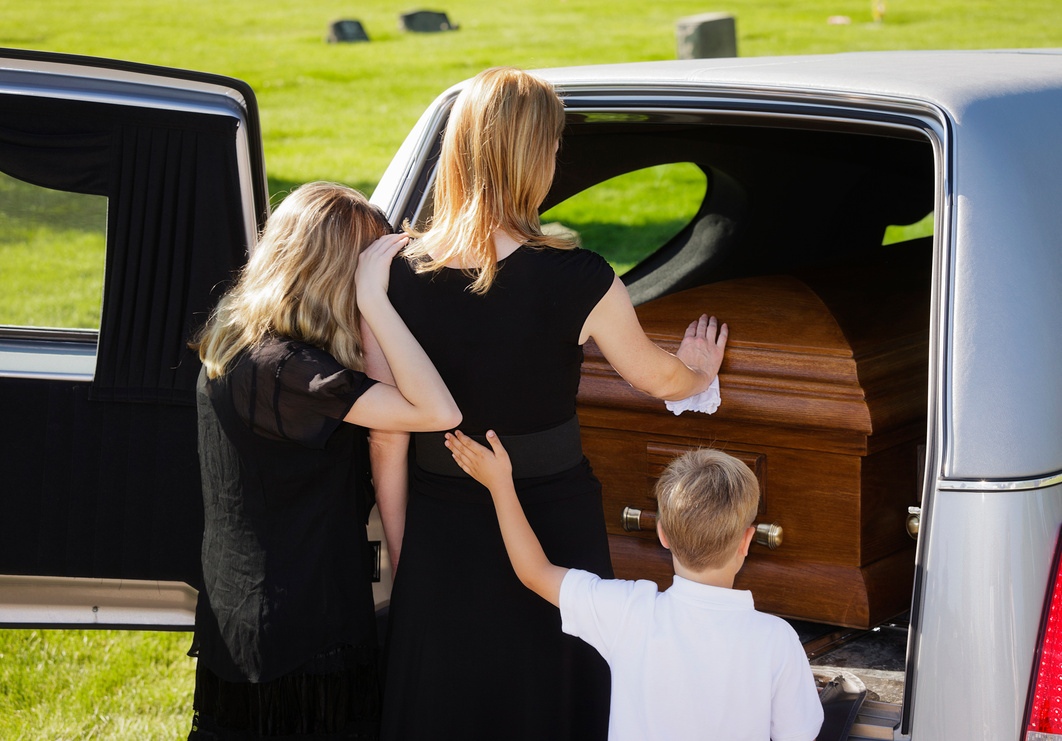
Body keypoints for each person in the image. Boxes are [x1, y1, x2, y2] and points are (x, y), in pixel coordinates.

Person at [365, 66, 728, 741]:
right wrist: (697, 368)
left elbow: (386, 437)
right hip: (553, 517)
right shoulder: (580, 277)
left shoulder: (391, 272)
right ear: (533, 157)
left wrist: (406, 549)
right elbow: (655, 378)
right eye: (554, 146)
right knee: (552, 697)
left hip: (439, 522)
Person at [187, 181, 461, 740]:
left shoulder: (244, 344)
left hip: (250, 617)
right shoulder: (288, 372)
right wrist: (376, 302)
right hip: (302, 634)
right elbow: (437, 410)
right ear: (337, 274)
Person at [447, 432, 824, 741]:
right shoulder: (777, 639)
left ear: (662, 533)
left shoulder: (629, 611)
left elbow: (533, 572)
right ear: (747, 540)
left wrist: (499, 484)